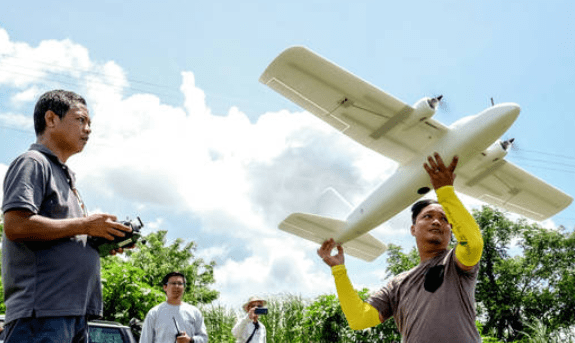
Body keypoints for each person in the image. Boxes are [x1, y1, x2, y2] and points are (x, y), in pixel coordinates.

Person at [1, 89, 133, 343]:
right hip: (42, 314)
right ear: (51, 119)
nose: (88, 129)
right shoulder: (33, 162)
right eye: (81, 120)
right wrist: (86, 224)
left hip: (75, 314)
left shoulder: (66, 177)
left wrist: (101, 239)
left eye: (90, 123)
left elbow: (66, 234)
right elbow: (16, 225)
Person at [317, 153, 484, 343]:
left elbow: (473, 243)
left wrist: (445, 191)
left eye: (444, 219)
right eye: (427, 216)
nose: (437, 221)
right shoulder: (397, 285)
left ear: (451, 230)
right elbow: (359, 319)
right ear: (413, 229)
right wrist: (338, 270)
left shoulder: (456, 263)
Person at [140, 272, 208, 343]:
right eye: (173, 283)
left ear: (184, 288)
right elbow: (145, 340)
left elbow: (204, 339)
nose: (177, 286)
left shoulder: (194, 312)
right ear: (165, 287)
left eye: (180, 283)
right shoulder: (154, 313)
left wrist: (190, 340)